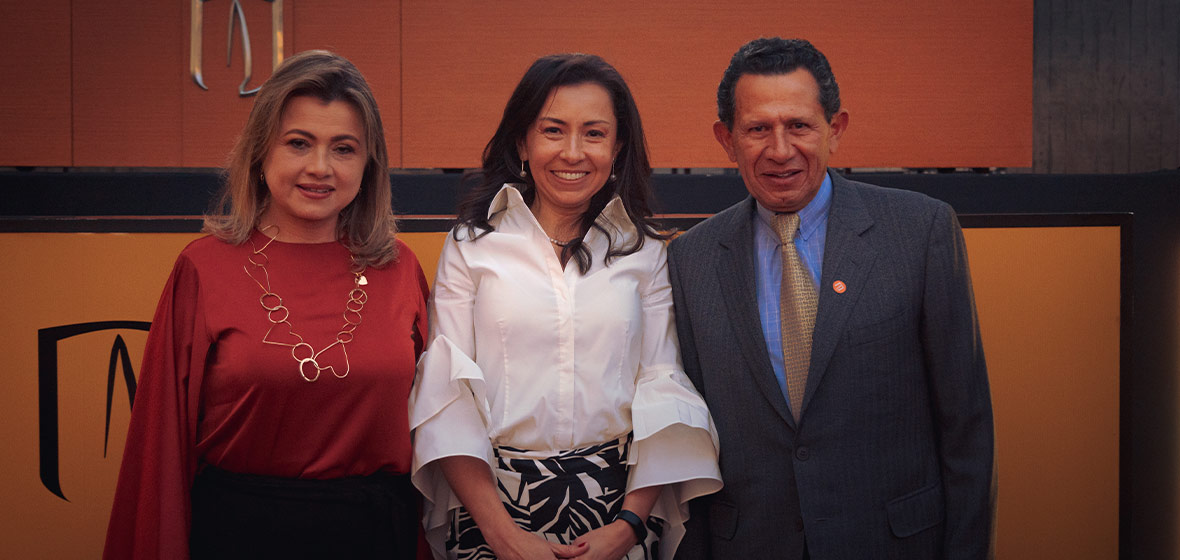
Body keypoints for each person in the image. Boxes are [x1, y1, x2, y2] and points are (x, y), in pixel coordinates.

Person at [668, 37, 995, 559]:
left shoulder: (920, 230)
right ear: (727, 140)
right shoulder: (692, 260)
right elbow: (694, 442)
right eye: (757, 129)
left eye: (799, 125)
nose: (779, 150)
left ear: (835, 130)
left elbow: (967, 428)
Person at [103, 50, 429, 559]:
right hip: (240, 537)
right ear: (260, 153)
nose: (319, 167)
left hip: (373, 538)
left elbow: (435, 433)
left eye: (344, 149)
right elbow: (160, 450)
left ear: (369, 165)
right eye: (298, 143)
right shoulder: (204, 268)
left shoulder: (401, 269)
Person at [409, 53, 722, 560]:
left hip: (612, 510)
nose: (572, 153)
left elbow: (663, 387)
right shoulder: (471, 245)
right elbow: (448, 398)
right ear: (522, 142)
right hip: (494, 512)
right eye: (553, 130)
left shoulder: (643, 251)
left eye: (594, 134)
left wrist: (628, 527)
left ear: (617, 146)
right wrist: (503, 536)